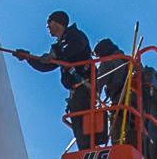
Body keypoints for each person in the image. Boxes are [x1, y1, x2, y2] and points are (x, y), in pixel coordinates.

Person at [13, 11, 96, 150]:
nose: (47, 26)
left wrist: (57, 54)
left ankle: (88, 149)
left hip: (85, 86)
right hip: (76, 89)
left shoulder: (75, 36)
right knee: (77, 117)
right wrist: (28, 58)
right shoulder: (59, 46)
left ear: (58, 22)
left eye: (49, 22)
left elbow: (74, 48)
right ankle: (85, 149)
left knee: (83, 117)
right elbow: (46, 65)